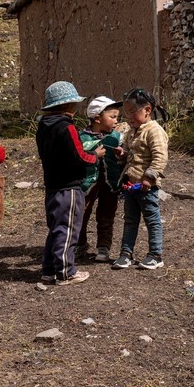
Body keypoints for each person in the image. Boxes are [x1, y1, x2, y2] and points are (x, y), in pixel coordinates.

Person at [36, 81, 105, 285]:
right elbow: (79, 156)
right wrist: (96, 155)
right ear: (67, 106)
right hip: (69, 187)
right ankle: (66, 272)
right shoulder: (68, 128)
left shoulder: (43, 127)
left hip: (52, 186)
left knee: (56, 229)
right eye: (75, 104)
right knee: (68, 230)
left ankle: (48, 270)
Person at [112, 88, 169, 271]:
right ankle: (126, 253)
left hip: (146, 187)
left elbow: (160, 157)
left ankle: (155, 255)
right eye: (126, 113)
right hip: (131, 186)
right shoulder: (131, 131)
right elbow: (130, 153)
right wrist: (123, 154)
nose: (128, 117)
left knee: (152, 221)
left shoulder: (155, 131)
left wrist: (148, 178)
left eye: (132, 112)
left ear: (147, 110)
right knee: (130, 220)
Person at [77, 96, 124, 262]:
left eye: (117, 117)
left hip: (110, 183)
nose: (116, 120)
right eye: (112, 117)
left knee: (106, 215)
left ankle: (103, 247)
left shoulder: (116, 138)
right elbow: (79, 156)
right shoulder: (82, 138)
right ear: (97, 118)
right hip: (88, 183)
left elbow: (124, 160)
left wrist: (122, 155)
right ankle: (79, 244)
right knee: (81, 213)